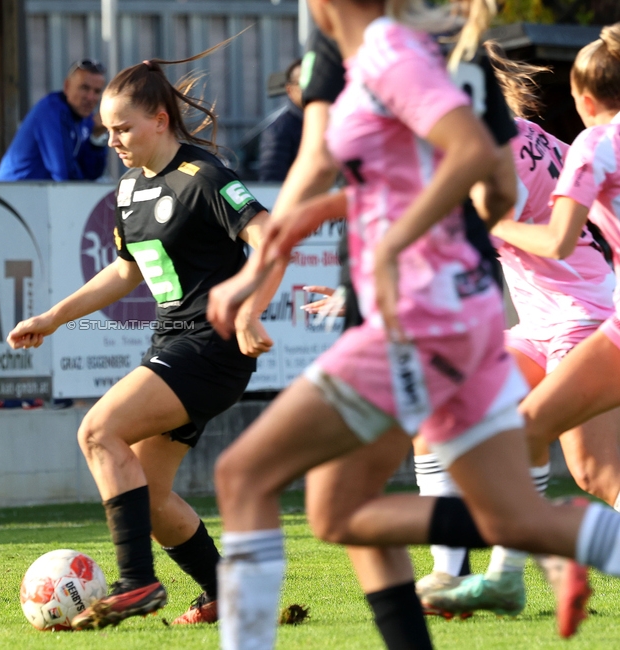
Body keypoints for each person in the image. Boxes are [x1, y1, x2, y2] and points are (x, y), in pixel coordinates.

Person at [209, 4, 620, 650]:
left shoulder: (389, 56)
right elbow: (460, 180)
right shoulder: (397, 58)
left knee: (243, 477)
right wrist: (292, 239)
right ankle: (560, 534)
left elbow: (472, 159)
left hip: (428, 316)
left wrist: (391, 244)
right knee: (342, 510)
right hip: (469, 313)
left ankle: (546, 536)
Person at [6, 47, 272, 629]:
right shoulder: (129, 189)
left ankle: (138, 582)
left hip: (212, 346)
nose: (114, 141)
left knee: (98, 431)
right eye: (107, 131)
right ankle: (227, 594)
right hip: (173, 344)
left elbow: (271, 238)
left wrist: (250, 308)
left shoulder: (205, 177)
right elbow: (127, 271)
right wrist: (53, 318)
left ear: (160, 119)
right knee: (148, 498)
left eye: (123, 127)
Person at [417, 41, 620, 618]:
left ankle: (546, 550)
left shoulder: (485, 151)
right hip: (544, 321)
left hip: (582, 317)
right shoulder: (521, 132)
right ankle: (449, 577)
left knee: (595, 473)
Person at [0, 60, 108, 181]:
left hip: (41, 194)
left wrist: (97, 138)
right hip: (13, 193)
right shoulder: (51, 111)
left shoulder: (86, 119)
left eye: (97, 91)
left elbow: (92, 175)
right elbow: (64, 175)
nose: (91, 97)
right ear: (66, 86)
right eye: (84, 88)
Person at [258, 59, 304, 182]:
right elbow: (271, 182)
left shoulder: (336, 122)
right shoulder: (279, 130)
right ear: (289, 89)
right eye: (304, 83)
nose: (313, 88)